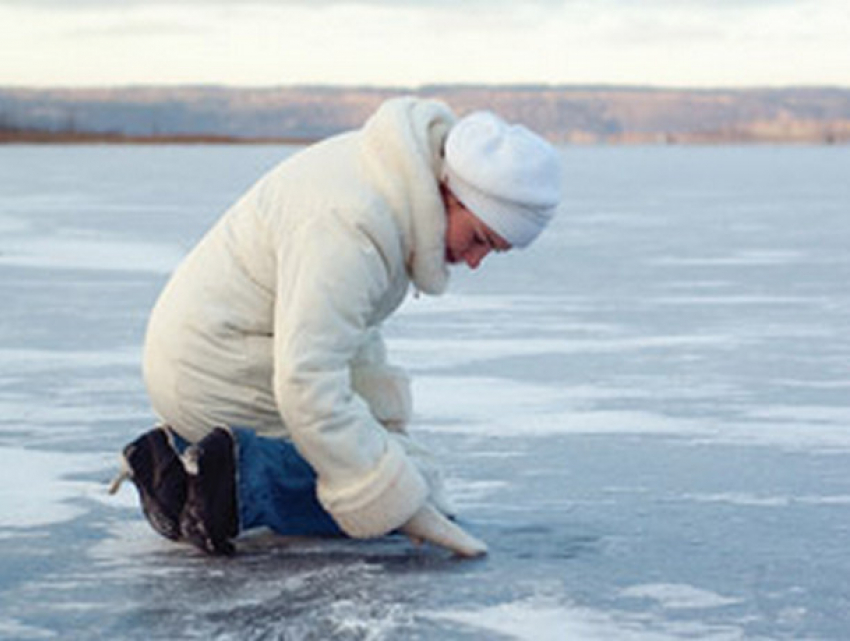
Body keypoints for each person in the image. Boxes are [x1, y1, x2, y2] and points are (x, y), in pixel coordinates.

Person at [110, 96, 561, 557]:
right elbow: (308, 379)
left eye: (493, 251)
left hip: (210, 354)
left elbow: (349, 329)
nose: (475, 260)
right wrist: (401, 507)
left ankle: (175, 461)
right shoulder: (353, 222)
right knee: (386, 493)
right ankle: (236, 480)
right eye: (479, 239)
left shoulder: (390, 180)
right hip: (213, 366)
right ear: (452, 193)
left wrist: (386, 430)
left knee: (398, 467)